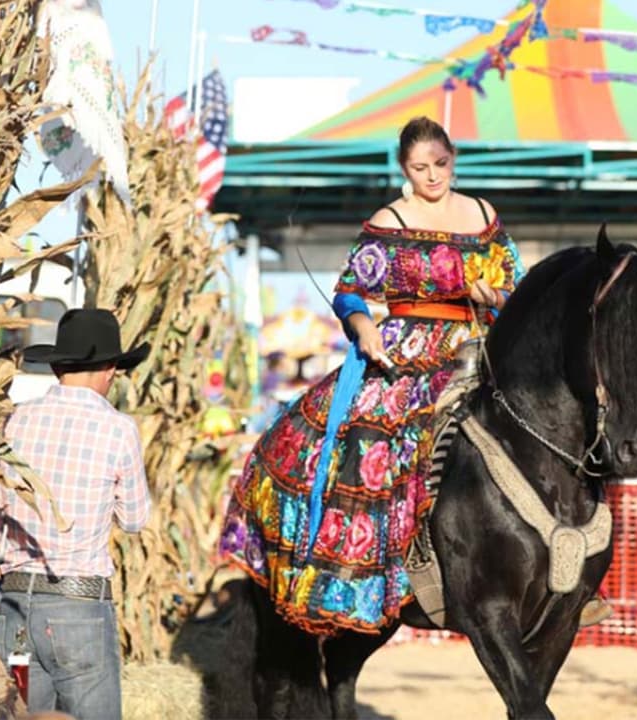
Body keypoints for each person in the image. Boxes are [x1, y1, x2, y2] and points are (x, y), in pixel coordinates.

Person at [219, 116, 528, 635]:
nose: (433, 176)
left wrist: (491, 296)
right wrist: (363, 327)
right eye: (420, 167)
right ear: (404, 169)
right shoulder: (390, 220)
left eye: (441, 164)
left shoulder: (483, 214)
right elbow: (348, 291)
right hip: (402, 349)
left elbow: (517, 288)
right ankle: (353, 580)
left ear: (453, 158)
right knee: (363, 448)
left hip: (478, 347)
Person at [0, 308, 153, 720]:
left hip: (14, 610)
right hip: (79, 613)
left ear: (58, 365)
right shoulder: (118, 429)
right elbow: (134, 520)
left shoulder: (17, 422)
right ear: (109, 368)